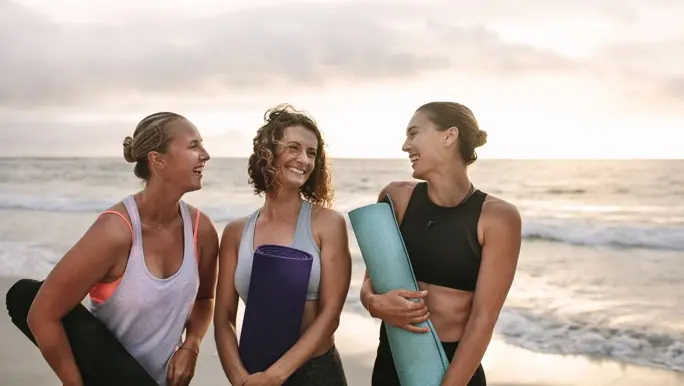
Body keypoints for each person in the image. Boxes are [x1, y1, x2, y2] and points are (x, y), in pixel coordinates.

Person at [26, 112, 219, 386]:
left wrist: (192, 345)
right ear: (157, 160)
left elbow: (204, 300)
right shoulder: (115, 232)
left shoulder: (202, 230)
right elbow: (42, 316)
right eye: (193, 146)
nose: (205, 154)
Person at [359, 102, 522, 386]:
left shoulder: (498, 217)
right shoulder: (396, 198)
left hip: (456, 369)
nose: (405, 146)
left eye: (414, 133)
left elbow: (483, 319)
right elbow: (369, 284)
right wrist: (374, 303)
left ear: (449, 136)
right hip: (392, 361)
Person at [214, 104, 351, 386]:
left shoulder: (328, 224)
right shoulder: (236, 232)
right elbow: (224, 319)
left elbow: (330, 315)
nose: (304, 159)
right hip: (253, 372)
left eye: (311, 153)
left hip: (316, 373)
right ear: (268, 152)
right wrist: (240, 379)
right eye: (294, 148)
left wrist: (276, 376)